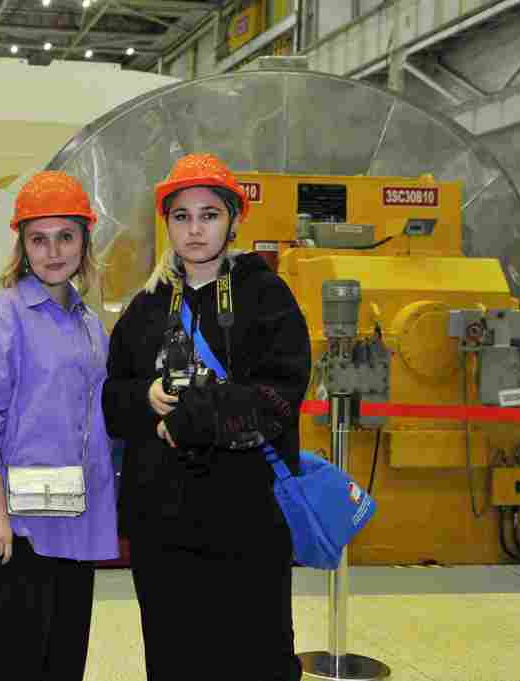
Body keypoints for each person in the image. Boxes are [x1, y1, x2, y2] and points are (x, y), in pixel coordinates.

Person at [102, 153, 311, 681]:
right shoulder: (145, 307)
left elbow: (281, 394)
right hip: (162, 522)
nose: (195, 229)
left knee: (256, 655)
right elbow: (111, 397)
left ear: (233, 221)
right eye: (182, 216)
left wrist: (192, 418)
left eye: (209, 215)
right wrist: (144, 397)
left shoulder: (266, 296)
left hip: (248, 517)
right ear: (167, 223)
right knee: (174, 655)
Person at [0, 171, 119, 681]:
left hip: (76, 514)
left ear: (84, 241)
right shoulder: (1, 315)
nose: (53, 252)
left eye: (65, 236)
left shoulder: (90, 324)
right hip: (18, 519)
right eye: (38, 239)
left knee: (64, 658)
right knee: (11, 658)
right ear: (22, 246)